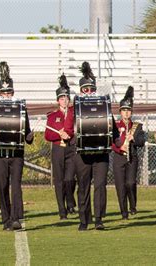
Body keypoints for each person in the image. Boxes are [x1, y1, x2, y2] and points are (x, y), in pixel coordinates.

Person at [0, 61, 34, 231]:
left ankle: (16, 217)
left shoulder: (21, 109)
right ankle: (6, 218)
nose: (6, 96)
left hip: (16, 153)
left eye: (9, 93)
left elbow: (27, 134)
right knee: (2, 186)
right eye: (3, 93)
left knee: (16, 185)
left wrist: (30, 136)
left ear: (13, 93)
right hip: (0, 154)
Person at [74, 62, 110, 231]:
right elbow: (69, 126)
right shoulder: (76, 107)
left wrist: (118, 143)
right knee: (83, 185)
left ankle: (99, 219)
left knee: (100, 185)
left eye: (91, 89)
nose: (88, 93)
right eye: (85, 90)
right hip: (82, 152)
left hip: (101, 151)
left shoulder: (104, 106)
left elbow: (111, 128)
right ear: (80, 91)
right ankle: (84, 219)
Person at [44, 74, 76, 220]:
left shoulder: (74, 114)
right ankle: (62, 210)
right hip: (58, 149)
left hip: (71, 148)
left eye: (66, 98)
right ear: (58, 100)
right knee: (59, 180)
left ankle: (70, 201)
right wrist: (59, 135)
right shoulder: (52, 116)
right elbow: (48, 135)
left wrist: (68, 133)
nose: (64, 100)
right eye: (62, 98)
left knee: (70, 179)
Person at [112, 86, 146, 220]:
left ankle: (133, 205)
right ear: (120, 112)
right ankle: (123, 213)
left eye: (128, 110)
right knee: (120, 186)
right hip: (119, 158)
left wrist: (134, 139)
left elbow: (142, 141)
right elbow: (112, 142)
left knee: (130, 183)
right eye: (124, 110)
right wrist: (120, 148)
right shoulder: (115, 126)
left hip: (132, 158)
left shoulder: (137, 126)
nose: (126, 113)